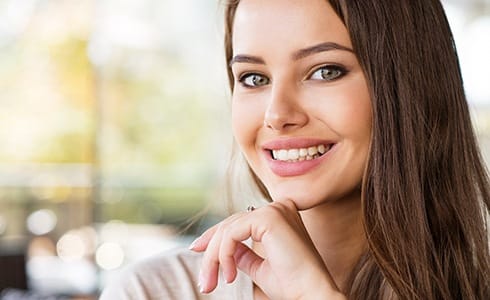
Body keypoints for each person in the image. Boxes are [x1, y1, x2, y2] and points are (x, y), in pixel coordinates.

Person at [100, 0, 490, 299]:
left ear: (410, 86)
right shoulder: (153, 291)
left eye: (325, 71)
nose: (277, 114)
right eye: (254, 78)